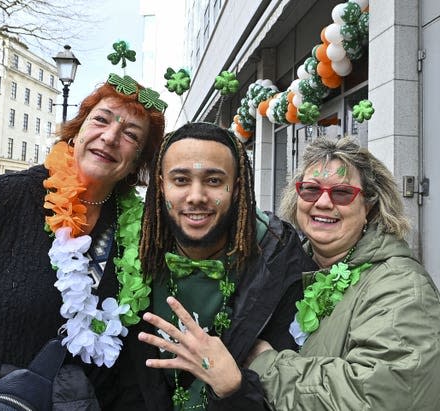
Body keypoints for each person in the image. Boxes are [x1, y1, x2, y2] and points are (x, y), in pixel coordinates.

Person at [0, 77, 166, 409]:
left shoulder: (138, 231)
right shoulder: (6, 198)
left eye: (131, 135)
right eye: (101, 119)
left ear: (138, 161)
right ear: (77, 129)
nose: (110, 137)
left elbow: (130, 362)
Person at [244, 137, 440, 410]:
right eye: (311, 190)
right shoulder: (293, 264)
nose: (323, 202)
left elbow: (377, 399)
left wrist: (265, 365)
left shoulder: (402, 288)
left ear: (369, 206)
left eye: (342, 193)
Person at [133, 122, 317, 410]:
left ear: (237, 188)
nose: (196, 196)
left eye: (214, 181)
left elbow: (292, 395)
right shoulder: (133, 251)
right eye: (180, 180)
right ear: (161, 186)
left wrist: (235, 388)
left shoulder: (280, 261)